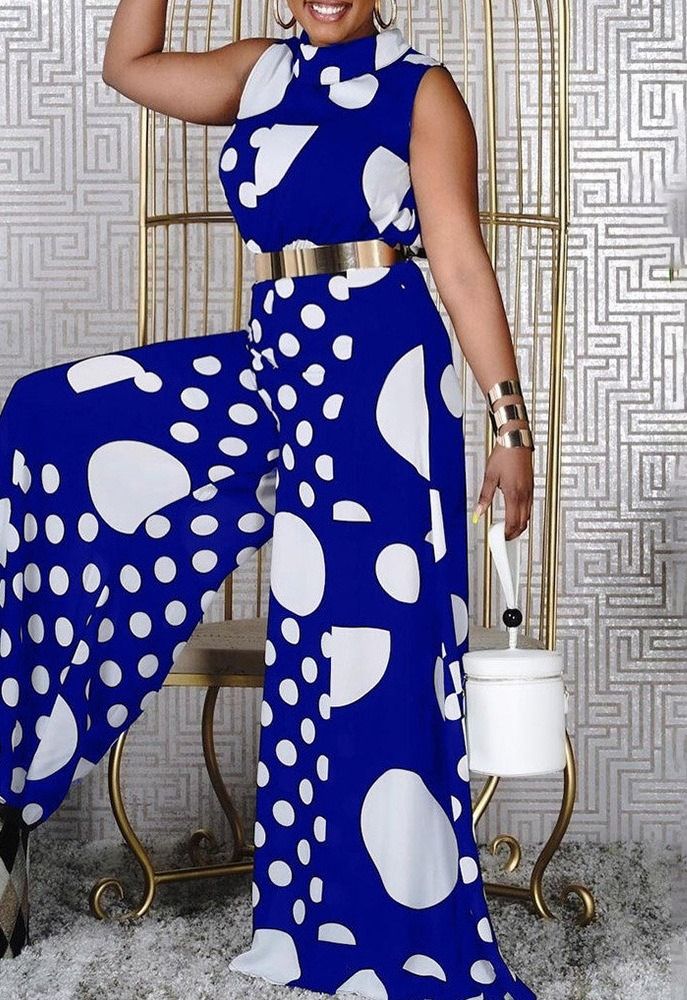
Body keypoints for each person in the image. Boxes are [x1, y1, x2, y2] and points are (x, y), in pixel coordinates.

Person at [0, 0, 537, 995]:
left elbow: (460, 263)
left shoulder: (421, 91)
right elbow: (128, 64)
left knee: (373, 645)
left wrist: (510, 425)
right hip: (275, 357)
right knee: (50, 415)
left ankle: (389, 920)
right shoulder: (259, 72)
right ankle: (17, 771)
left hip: (383, 375)